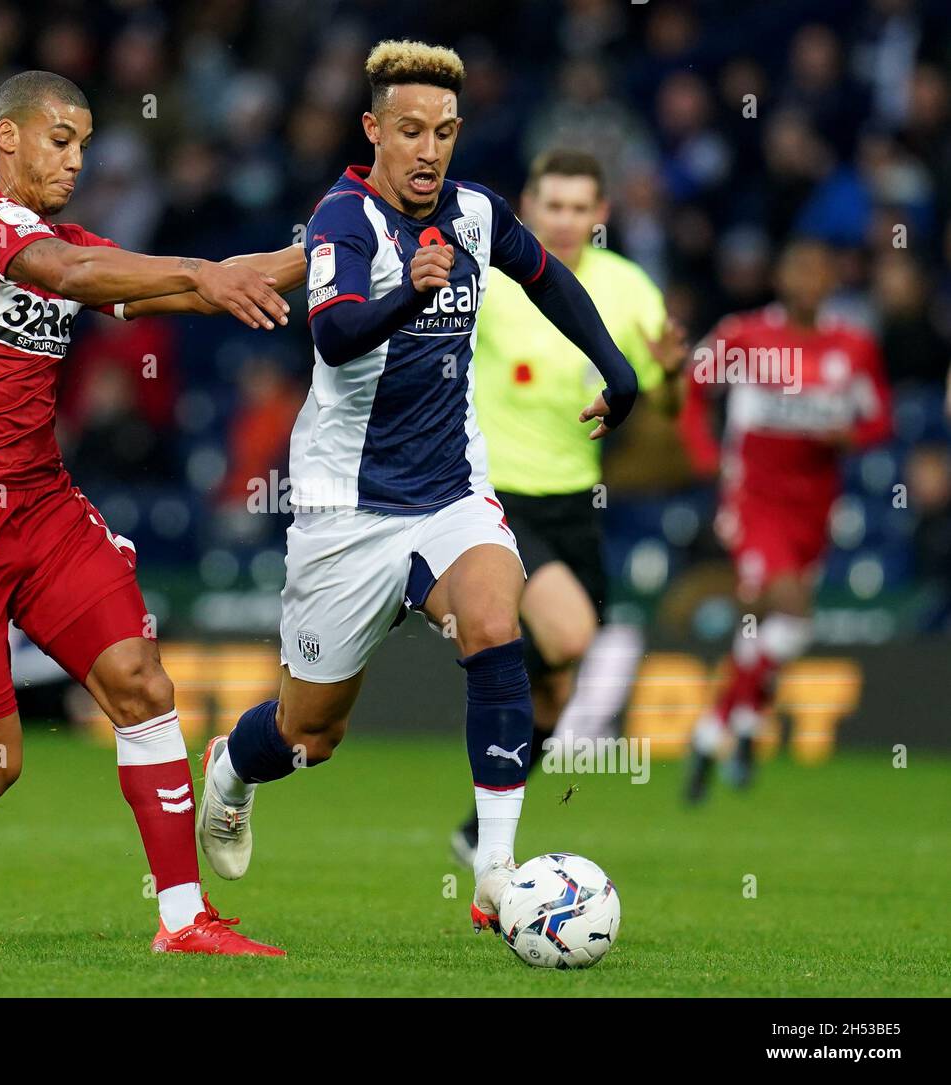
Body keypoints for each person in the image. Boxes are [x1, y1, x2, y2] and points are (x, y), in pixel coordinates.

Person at [0, 70, 305, 955]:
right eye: (62, 139)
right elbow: (74, 271)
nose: (78, 159)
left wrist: (339, 246)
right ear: (5, 138)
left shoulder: (70, 245)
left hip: (44, 505)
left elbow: (187, 287)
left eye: (86, 143)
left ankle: (183, 919)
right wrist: (202, 272)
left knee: (142, 683)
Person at [195, 41, 639, 938]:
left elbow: (547, 275)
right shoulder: (342, 220)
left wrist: (614, 365)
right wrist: (411, 293)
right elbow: (335, 337)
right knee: (307, 735)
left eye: (443, 131)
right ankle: (231, 774)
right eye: (409, 130)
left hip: (449, 492)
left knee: (493, 621)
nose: (428, 149)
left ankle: (496, 873)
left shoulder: (475, 212)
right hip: (341, 512)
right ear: (374, 131)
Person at [449, 148, 688, 867]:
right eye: (552, 206)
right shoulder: (492, 280)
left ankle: (476, 833)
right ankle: (483, 631)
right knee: (576, 635)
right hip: (495, 495)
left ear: (601, 214)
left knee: (554, 689)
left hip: (575, 503)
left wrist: (672, 378)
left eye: (580, 208)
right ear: (529, 204)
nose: (565, 221)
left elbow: (664, 405)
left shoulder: (628, 291)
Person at [680, 237, 892, 802]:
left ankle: (726, 728)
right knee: (786, 603)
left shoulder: (853, 345)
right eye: (796, 270)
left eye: (818, 272)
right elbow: (691, 388)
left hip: (816, 502)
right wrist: (705, 457)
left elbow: (879, 421)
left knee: (783, 627)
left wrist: (850, 435)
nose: (807, 282)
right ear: (780, 278)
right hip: (755, 497)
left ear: (831, 282)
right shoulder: (745, 335)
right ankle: (727, 731)